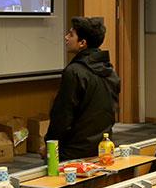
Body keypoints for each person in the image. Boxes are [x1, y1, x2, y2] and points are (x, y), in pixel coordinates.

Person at [45, 17, 120, 161]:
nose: (66, 37)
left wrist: (50, 145)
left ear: (82, 43)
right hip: (102, 146)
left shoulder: (74, 72)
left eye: (71, 34)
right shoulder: (110, 71)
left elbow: (63, 115)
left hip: (73, 149)